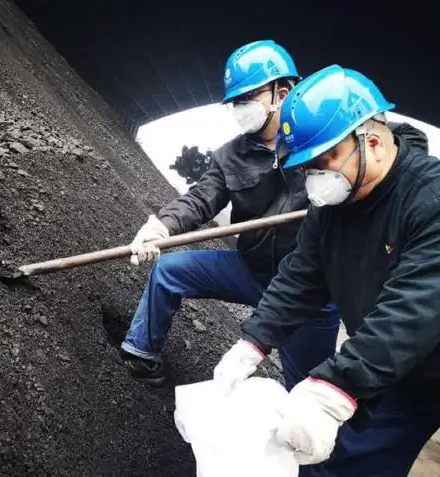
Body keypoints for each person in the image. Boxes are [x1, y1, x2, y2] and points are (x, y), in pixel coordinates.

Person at [110, 40, 426, 389]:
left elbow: (400, 139)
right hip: (250, 270)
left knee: (306, 387)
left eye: (248, 98)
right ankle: (141, 353)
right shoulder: (230, 156)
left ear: (283, 91)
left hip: (308, 292)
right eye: (235, 103)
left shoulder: (327, 140)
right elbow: (201, 198)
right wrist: (163, 225)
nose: (240, 109)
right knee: (170, 270)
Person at [213, 64, 439, 477]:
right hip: (400, 369)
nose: (315, 176)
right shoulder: (331, 205)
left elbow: (414, 309)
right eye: (307, 166)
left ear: (372, 142)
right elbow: (302, 273)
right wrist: (255, 340)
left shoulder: (428, 199)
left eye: (325, 159)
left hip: (420, 347)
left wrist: (333, 388)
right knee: (346, 463)